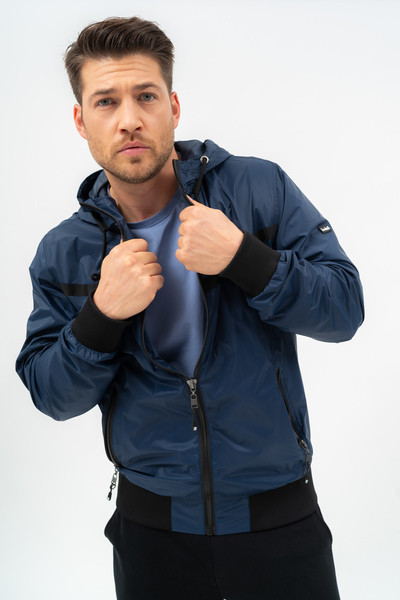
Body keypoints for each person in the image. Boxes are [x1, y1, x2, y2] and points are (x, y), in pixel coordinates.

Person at [16, 16, 364, 600]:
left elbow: (344, 308)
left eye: (146, 96)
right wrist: (101, 316)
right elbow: (52, 394)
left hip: (280, 521)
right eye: (106, 101)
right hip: (152, 537)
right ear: (81, 120)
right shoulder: (65, 250)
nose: (129, 118)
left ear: (173, 107)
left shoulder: (258, 190)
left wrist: (246, 258)